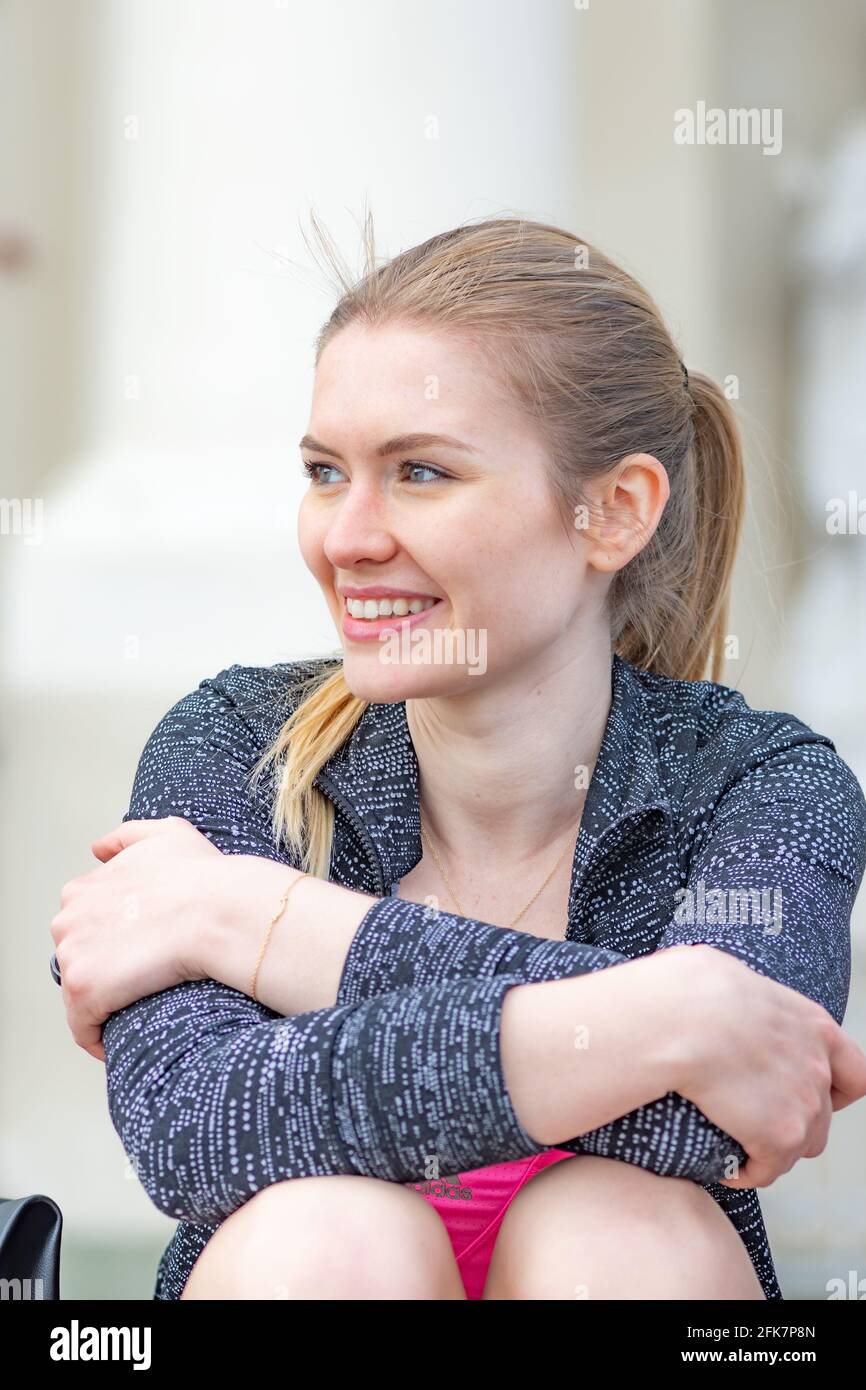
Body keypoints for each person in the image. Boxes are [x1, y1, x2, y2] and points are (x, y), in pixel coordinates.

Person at [51, 216, 866, 1300]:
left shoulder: (758, 782)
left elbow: (732, 1110)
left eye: (420, 472)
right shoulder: (235, 747)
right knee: (323, 1237)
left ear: (610, 512)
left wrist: (256, 920)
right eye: (325, 472)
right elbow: (201, 1130)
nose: (347, 537)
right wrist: (673, 1013)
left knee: (620, 1229)